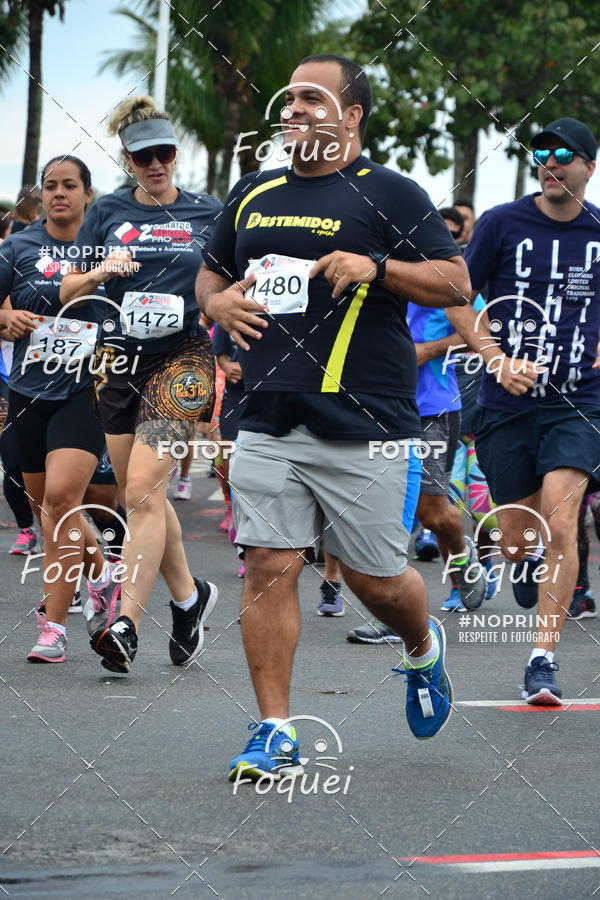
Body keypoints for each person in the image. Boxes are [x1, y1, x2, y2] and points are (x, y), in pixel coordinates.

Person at [196, 53, 471, 780]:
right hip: (266, 414)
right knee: (267, 565)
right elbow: (212, 273)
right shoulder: (251, 193)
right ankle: (275, 730)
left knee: (373, 580)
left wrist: (376, 268)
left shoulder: (393, 195)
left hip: (368, 420)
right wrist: (216, 304)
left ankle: (422, 648)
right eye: (289, 99)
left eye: (313, 99)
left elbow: (453, 281)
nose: (294, 110)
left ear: (350, 116)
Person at [61, 95, 221, 673]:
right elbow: (75, 285)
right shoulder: (106, 212)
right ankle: (189, 599)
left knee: (147, 485)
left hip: (183, 359)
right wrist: (104, 270)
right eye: (142, 156)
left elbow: (231, 277)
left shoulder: (208, 213)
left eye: (163, 154)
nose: (154, 164)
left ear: (176, 155)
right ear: (128, 161)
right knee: (142, 498)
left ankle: (125, 622)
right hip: (120, 363)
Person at [448, 116, 600, 705]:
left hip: (578, 404)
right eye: (541, 153)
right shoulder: (501, 223)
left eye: (565, 153)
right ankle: (521, 557)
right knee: (518, 538)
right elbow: (456, 295)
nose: (551, 162)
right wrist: (495, 357)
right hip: (506, 405)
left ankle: (542, 660)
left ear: (588, 165)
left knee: (563, 522)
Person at [0, 156, 120, 662]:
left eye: (70, 185)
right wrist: (4, 319)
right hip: (28, 393)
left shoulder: (107, 247)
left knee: (64, 500)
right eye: (50, 186)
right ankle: (102, 573)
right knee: (48, 508)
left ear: (87, 194)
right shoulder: (17, 246)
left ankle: (53, 628)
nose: (59, 194)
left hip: (85, 391)